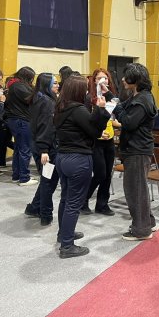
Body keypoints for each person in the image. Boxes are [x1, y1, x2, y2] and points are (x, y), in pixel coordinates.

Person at [54, 75, 110, 258]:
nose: (87, 91)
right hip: (78, 159)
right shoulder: (78, 110)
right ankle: (67, 246)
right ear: (78, 91)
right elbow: (95, 132)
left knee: (65, 199)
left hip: (62, 157)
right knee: (73, 203)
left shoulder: (60, 107)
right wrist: (101, 110)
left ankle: (64, 234)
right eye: (85, 88)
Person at [113, 63, 158, 241]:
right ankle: (147, 222)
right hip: (136, 149)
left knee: (135, 190)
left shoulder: (143, 100)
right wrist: (109, 95)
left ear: (136, 79)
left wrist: (116, 108)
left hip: (137, 150)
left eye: (126, 77)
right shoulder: (138, 96)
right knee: (138, 188)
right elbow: (122, 106)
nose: (123, 79)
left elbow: (128, 122)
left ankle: (141, 229)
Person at [82, 68, 119, 216]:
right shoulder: (89, 98)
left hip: (109, 139)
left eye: (105, 78)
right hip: (95, 141)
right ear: (94, 81)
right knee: (100, 174)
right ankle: (83, 200)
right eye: (99, 78)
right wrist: (98, 132)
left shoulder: (111, 97)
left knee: (108, 174)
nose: (103, 81)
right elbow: (86, 120)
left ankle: (102, 204)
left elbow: (114, 115)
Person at [24, 73, 59, 226]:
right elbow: (45, 126)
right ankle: (45, 214)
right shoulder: (46, 102)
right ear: (47, 85)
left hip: (40, 144)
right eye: (54, 83)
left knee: (47, 179)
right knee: (48, 181)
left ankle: (34, 207)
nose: (58, 85)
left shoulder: (39, 98)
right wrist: (44, 150)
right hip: (45, 148)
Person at [4, 67, 37, 186]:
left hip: (15, 120)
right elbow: (32, 99)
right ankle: (24, 177)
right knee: (25, 149)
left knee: (19, 148)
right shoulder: (19, 86)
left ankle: (16, 175)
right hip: (22, 120)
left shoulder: (14, 85)